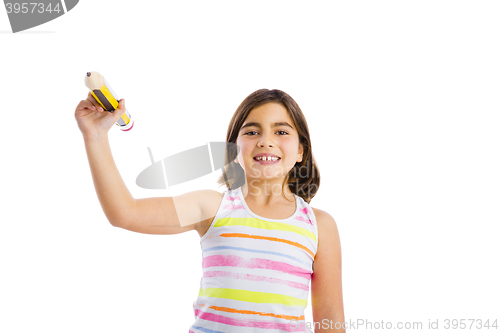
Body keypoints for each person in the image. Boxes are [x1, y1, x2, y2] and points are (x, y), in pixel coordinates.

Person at [75, 88, 345, 333]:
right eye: (252, 132)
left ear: (300, 150)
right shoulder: (211, 208)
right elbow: (125, 213)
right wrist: (95, 136)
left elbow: (330, 320)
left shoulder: (319, 225)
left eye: (281, 132)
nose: (265, 141)